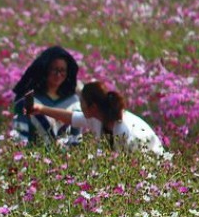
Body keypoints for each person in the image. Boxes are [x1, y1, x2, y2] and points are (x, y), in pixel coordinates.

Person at [28, 81, 167, 156]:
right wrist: (41, 109)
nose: (79, 106)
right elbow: (71, 118)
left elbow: (137, 163)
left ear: (92, 106)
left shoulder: (126, 130)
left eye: (82, 102)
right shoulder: (98, 117)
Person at [10, 46, 83, 145]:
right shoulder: (27, 101)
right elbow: (20, 138)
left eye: (62, 70)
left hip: (67, 159)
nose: (58, 74)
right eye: (54, 69)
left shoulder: (73, 101)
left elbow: (76, 138)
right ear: (45, 70)